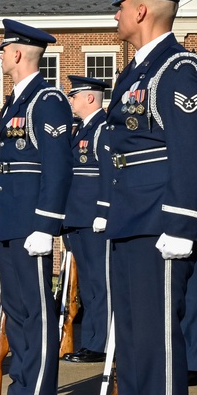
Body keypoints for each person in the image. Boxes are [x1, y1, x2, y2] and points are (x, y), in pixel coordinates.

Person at [94, 0, 197, 395]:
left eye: (120, 5)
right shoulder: (134, 73)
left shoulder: (177, 70)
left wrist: (182, 225)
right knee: (133, 335)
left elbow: (190, 152)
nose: (114, 14)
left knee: (157, 338)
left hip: (160, 223)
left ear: (140, 10)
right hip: (129, 219)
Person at [0, 20, 73, 395]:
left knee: (36, 313)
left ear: (17, 53)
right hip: (10, 222)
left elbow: (58, 166)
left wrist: (46, 225)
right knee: (16, 313)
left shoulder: (46, 100)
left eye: (3, 50)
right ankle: (22, 389)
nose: (1, 56)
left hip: (31, 225)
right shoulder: (14, 102)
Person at [60, 75, 109, 364]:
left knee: (99, 283)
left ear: (89, 97)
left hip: (93, 218)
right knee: (87, 285)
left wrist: (103, 211)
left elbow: (107, 174)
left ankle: (99, 342)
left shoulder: (103, 129)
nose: (72, 101)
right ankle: (91, 340)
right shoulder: (80, 130)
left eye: (75, 96)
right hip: (77, 217)